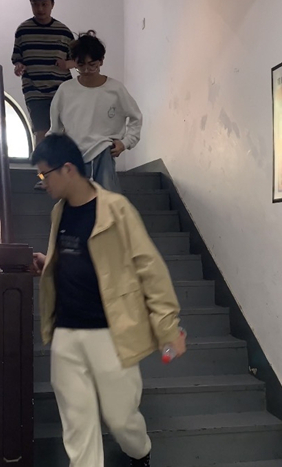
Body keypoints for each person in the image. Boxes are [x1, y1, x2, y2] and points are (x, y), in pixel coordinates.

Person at [31, 134, 186, 467]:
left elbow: (150, 268)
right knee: (77, 424)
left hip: (111, 333)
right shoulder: (59, 212)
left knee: (121, 418)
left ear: (68, 169)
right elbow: (78, 253)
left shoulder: (117, 209)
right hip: (66, 333)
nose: (42, 182)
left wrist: (167, 327)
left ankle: (140, 452)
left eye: (45, 174)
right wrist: (50, 263)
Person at [49, 31, 143, 193]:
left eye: (92, 64)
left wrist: (126, 142)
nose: (86, 70)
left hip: (104, 150)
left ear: (101, 61)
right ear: (74, 63)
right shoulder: (65, 90)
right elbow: (55, 129)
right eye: (81, 65)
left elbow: (136, 117)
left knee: (107, 199)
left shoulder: (115, 89)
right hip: (73, 155)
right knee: (76, 201)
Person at [11, 0, 75, 147]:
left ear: (52, 5)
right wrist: (19, 66)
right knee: (41, 132)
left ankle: (60, 162)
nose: (40, 9)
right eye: (35, 4)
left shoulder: (63, 32)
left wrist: (67, 64)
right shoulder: (23, 30)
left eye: (44, 4)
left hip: (60, 90)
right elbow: (17, 58)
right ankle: (41, 163)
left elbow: (77, 60)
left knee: (63, 132)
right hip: (34, 90)